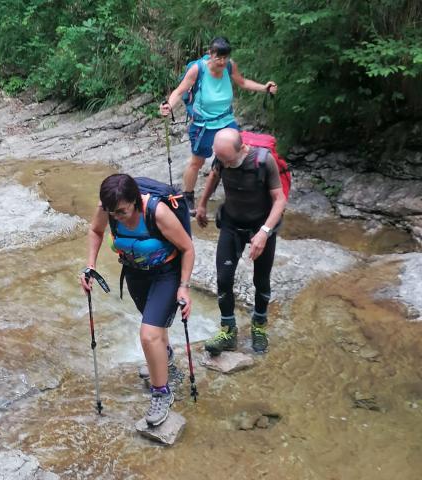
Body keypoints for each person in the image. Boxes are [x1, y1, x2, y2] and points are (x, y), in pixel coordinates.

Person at [80, 173, 194, 426]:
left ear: (135, 201)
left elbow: (187, 248)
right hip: (135, 274)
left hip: (166, 274)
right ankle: (165, 362)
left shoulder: (158, 212)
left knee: (148, 334)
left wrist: (184, 287)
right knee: (155, 326)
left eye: (121, 212)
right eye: (112, 212)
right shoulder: (108, 208)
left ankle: (161, 394)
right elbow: (96, 231)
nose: (116, 217)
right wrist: (90, 266)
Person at [160, 36, 278, 214]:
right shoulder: (197, 69)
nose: (222, 62)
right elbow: (179, 91)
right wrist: (169, 105)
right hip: (203, 125)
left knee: (238, 155)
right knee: (197, 162)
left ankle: (241, 193)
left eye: (225, 57)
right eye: (218, 58)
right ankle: (188, 196)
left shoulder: (230, 66)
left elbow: (243, 82)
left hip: (226, 121)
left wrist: (265, 88)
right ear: (210, 54)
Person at [196, 128, 286, 355]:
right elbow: (214, 175)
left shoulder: (264, 162)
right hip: (232, 224)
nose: (223, 163)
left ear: (242, 149)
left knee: (261, 279)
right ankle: (228, 331)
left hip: (261, 225)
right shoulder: (221, 159)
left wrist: (264, 232)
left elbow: (279, 199)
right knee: (223, 278)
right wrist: (202, 204)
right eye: (220, 158)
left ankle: (259, 326)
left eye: (227, 159)